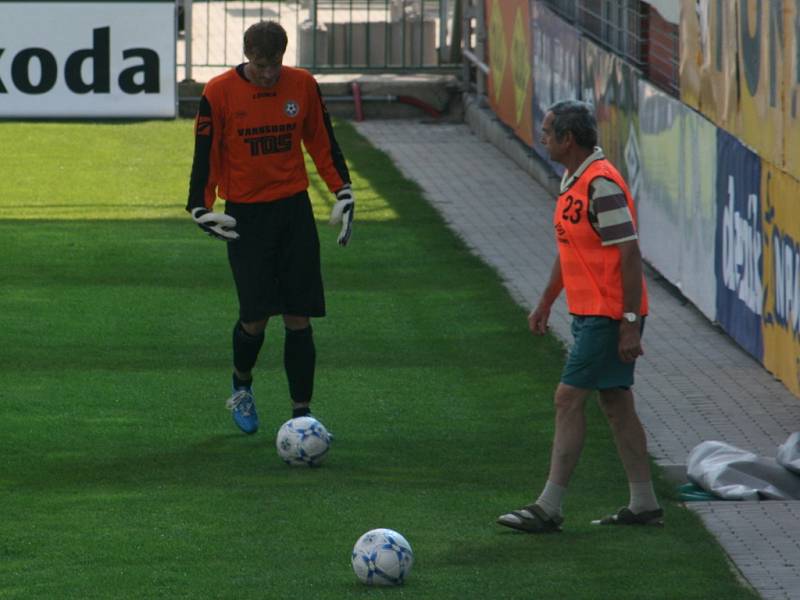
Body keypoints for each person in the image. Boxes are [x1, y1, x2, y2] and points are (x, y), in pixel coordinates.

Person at [497, 100, 662, 532]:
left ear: (568, 140)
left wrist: (628, 322)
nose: (543, 136)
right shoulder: (575, 179)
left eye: (549, 131)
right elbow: (569, 249)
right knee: (616, 404)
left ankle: (548, 507)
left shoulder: (600, 184)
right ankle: (644, 505)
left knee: (568, 398)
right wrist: (546, 301)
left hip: (608, 316)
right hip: (592, 313)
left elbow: (628, 253)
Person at [185, 21, 354, 435]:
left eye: (274, 65)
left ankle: (302, 416)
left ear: (284, 56)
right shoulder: (219, 92)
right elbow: (205, 155)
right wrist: (199, 207)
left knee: (299, 317)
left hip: (293, 211)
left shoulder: (302, 85)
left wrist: (343, 190)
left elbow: (321, 141)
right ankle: (242, 384)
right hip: (246, 216)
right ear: (246, 55)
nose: (267, 74)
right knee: (256, 318)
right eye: (260, 65)